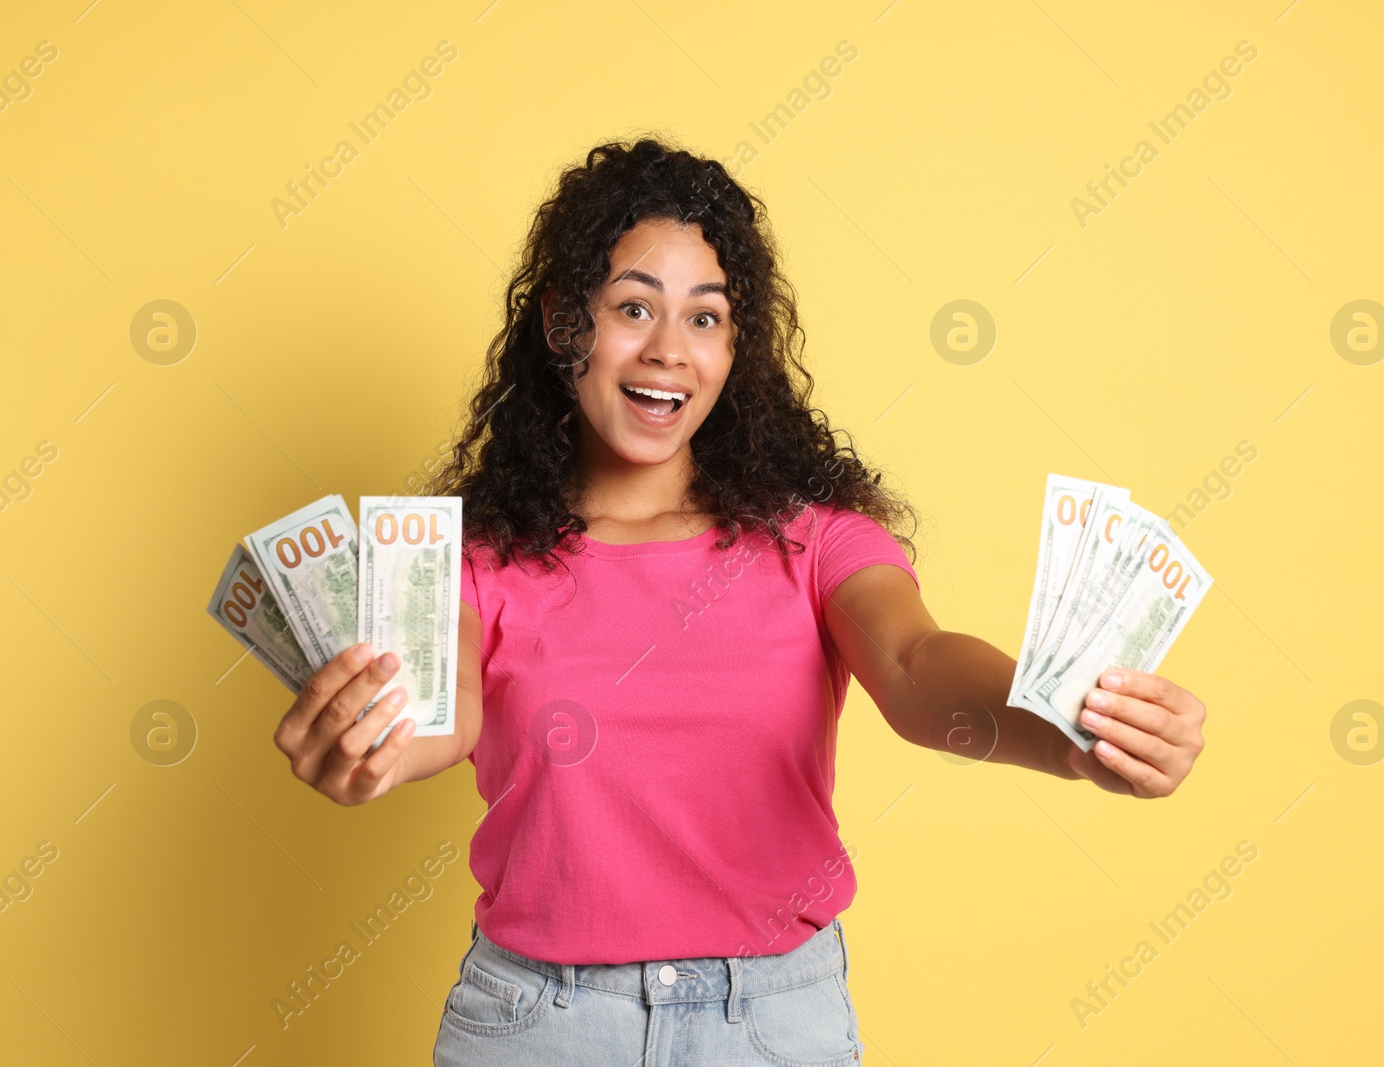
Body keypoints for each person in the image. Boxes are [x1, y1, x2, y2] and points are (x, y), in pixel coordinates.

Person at [271, 136, 1207, 1065]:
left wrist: (1072, 731)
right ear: (564, 322)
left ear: (735, 344)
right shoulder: (476, 560)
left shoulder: (814, 541)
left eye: (706, 319)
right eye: (632, 307)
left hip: (771, 1025)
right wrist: (369, 748)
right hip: (538, 1025)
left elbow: (917, 666)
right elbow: (443, 715)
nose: (669, 351)